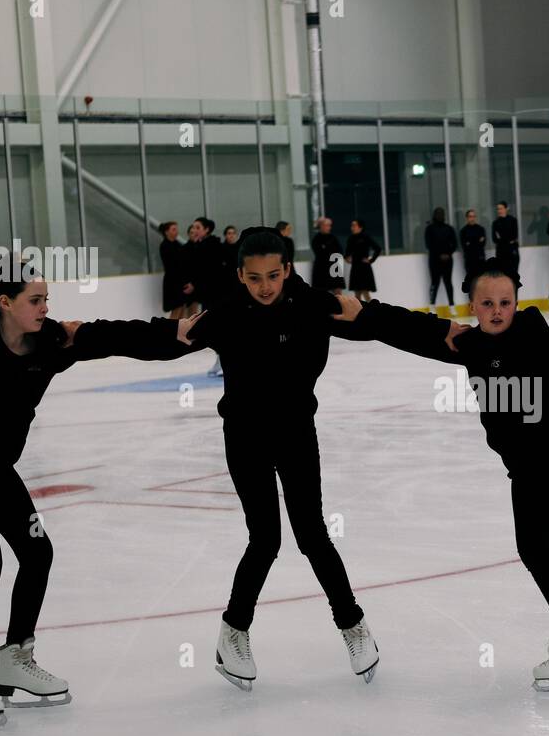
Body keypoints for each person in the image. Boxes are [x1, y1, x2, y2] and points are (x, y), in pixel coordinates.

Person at [0, 271, 202, 730]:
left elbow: (114, 338)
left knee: (37, 554)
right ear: (6, 302)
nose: (45, 308)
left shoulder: (50, 345)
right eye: (36, 299)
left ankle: (15, 659)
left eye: (47, 299)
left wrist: (177, 334)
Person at [338, 258, 549, 692]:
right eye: (487, 303)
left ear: (516, 303)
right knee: (548, 542)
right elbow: (413, 331)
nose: (497, 311)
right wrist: (367, 312)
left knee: (534, 546)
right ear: (472, 307)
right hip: (527, 459)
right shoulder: (468, 344)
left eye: (505, 302)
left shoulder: (541, 342)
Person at [157, 230, 383, 689]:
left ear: (289, 270)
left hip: (297, 434)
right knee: (265, 540)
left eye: (274, 275)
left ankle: (353, 626)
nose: (265, 286)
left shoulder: (316, 305)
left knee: (313, 534)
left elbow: (383, 325)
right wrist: (81, 338)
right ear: (240, 275)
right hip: (244, 437)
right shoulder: (224, 314)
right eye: (255, 277)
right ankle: (233, 633)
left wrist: (447, 334)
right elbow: (159, 339)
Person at [424, 207, 457, 312]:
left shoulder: (449, 228)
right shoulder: (429, 229)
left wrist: (448, 254)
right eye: (438, 214)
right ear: (434, 215)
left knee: (448, 282)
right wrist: (439, 255)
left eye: (441, 213)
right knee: (435, 282)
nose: (440, 215)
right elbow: (429, 244)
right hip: (434, 260)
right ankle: (432, 305)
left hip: (448, 260)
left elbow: (455, 244)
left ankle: (452, 305)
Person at [345, 218, 382, 301]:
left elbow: (378, 249)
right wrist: (346, 258)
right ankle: (360, 312)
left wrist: (371, 260)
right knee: (357, 294)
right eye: (352, 226)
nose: (352, 227)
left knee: (366, 293)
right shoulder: (351, 238)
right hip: (355, 267)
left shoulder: (366, 237)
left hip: (364, 268)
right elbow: (347, 253)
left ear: (360, 227)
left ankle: (371, 311)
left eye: (354, 225)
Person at [159, 221, 189, 318]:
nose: (176, 232)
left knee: (182, 310)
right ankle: (170, 331)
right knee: (176, 309)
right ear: (166, 232)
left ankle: (179, 332)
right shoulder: (165, 246)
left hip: (180, 281)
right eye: (173, 229)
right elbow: (173, 265)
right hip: (172, 282)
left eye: (176, 229)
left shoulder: (178, 245)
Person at [310, 216, 345, 294]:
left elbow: (339, 251)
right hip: (322, 269)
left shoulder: (333, 238)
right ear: (321, 226)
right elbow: (320, 253)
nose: (329, 227)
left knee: (338, 292)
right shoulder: (317, 239)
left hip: (334, 267)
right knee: (322, 293)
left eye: (329, 225)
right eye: (327, 225)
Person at [459, 209, 487, 305]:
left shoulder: (481, 229)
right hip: (469, 260)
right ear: (467, 218)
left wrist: (471, 242)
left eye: (474, 216)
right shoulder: (463, 231)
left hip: (480, 259)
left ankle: (483, 302)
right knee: (471, 283)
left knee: (482, 282)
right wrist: (476, 241)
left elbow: (482, 243)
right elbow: (465, 246)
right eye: (470, 216)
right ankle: (473, 303)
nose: (472, 218)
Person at [491, 201, 519, 283]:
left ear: (506, 209)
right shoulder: (495, 223)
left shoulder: (513, 220)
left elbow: (514, 236)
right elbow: (494, 239)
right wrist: (506, 240)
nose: (499, 210)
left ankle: (514, 296)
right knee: (502, 278)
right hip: (501, 252)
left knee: (513, 277)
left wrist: (502, 237)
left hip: (512, 252)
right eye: (498, 209)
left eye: (501, 208)